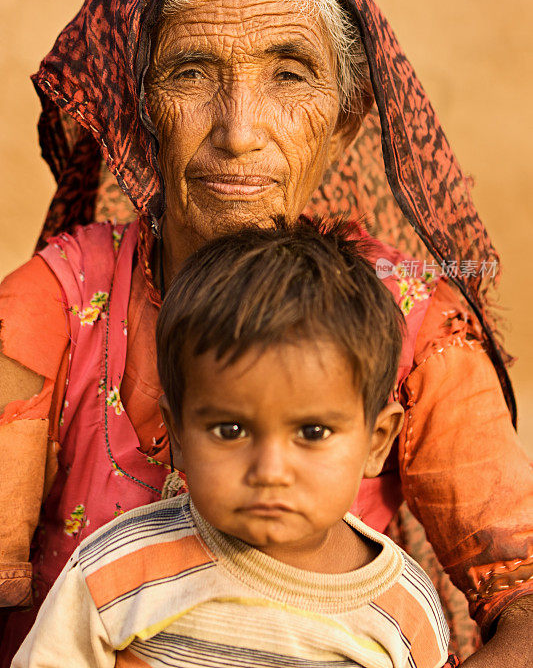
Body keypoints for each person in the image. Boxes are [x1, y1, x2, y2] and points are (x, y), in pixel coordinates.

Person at [0, 0, 531, 666]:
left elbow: (526, 594)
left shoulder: (410, 319)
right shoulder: (53, 302)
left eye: (289, 75)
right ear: (141, 113)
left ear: (344, 126)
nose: (239, 130)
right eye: (190, 73)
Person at [13, 221, 457, 668]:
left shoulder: (404, 612)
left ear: (376, 443)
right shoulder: (118, 569)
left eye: (313, 433)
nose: (270, 470)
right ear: (180, 436)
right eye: (230, 431)